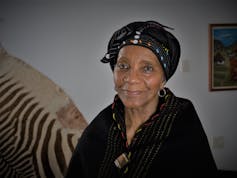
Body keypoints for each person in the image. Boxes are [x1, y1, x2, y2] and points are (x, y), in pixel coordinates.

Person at [65, 20, 217, 178]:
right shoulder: (99, 129)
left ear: (163, 79)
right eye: (123, 66)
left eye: (147, 68)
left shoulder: (184, 128)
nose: (131, 79)